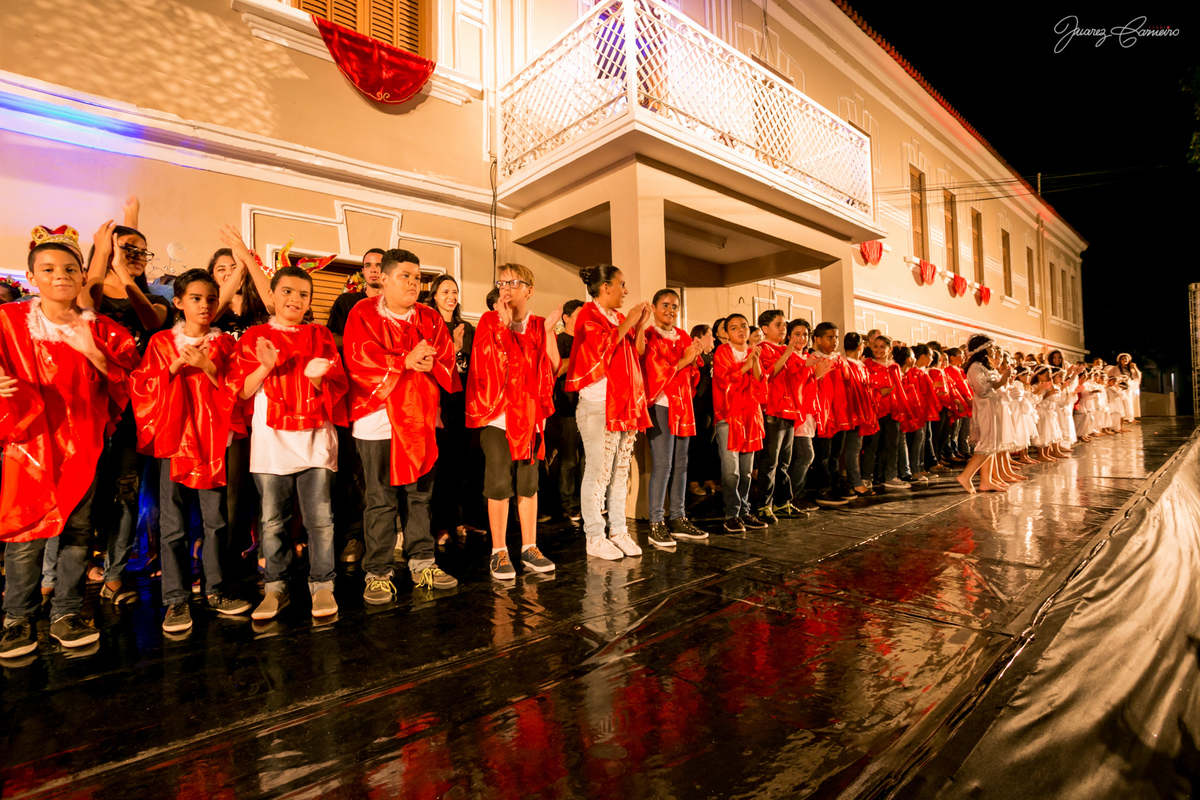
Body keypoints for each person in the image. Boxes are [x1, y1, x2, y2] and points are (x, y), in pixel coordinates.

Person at [1, 225, 139, 657]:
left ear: (83, 277)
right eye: (48, 269)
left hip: (82, 445)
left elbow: (127, 383)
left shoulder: (103, 330)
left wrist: (91, 350)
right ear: (31, 278)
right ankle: (17, 618)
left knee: (79, 530)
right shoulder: (8, 322)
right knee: (26, 531)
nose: (60, 275)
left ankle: (65, 611)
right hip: (29, 444)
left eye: (69, 269)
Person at [131, 269, 251, 632]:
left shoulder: (226, 344)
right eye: (196, 299)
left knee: (216, 521)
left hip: (214, 443)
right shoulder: (161, 343)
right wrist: (175, 366)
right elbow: (143, 387)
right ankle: (176, 600)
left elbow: (237, 392)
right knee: (173, 524)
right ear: (179, 302)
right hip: (176, 441)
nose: (205, 305)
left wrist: (208, 366)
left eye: (212, 299)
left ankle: (216, 590)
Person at [230, 265, 349, 619]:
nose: (295, 300)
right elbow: (241, 390)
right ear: (272, 295)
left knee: (321, 520)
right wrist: (266, 367)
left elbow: (337, 386)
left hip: (315, 440)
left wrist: (316, 380)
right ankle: (275, 588)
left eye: (303, 294)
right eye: (287, 292)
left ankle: (323, 585)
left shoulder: (322, 336)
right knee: (272, 521)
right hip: (272, 443)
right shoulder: (254, 337)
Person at [343, 249, 461, 602]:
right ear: (383, 278)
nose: (413, 283)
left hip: (420, 415)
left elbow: (445, 356)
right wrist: (404, 361)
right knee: (379, 498)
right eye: (405, 276)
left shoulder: (428, 317)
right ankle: (378, 570)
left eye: (417, 276)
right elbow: (358, 357)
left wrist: (431, 360)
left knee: (419, 495)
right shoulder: (363, 312)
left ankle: (422, 561)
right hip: (377, 418)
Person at [82, 222, 174, 603]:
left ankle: (115, 572)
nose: (136, 256)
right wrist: (103, 257)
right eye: (128, 248)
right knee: (83, 490)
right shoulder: (91, 293)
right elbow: (86, 308)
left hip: (136, 408)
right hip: (91, 406)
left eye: (141, 251)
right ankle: (67, 569)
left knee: (126, 490)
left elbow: (153, 321)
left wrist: (124, 271)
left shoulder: (158, 298)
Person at [466, 263, 559, 578]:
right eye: (501, 283)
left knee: (528, 485)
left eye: (513, 282)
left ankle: (529, 547)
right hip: (499, 417)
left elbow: (550, 368)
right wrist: (503, 330)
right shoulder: (488, 322)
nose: (505, 288)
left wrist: (547, 336)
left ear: (529, 290)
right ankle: (499, 551)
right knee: (499, 483)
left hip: (531, 418)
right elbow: (490, 370)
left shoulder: (539, 325)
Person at [566, 265, 651, 561]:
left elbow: (636, 353)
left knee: (620, 471)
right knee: (598, 471)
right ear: (605, 287)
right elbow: (600, 350)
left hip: (623, 404)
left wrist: (638, 326)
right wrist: (628, 322)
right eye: (622, 284)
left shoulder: (616, 319)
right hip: (598, 405)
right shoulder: (588, 315)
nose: (626, 291)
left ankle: (618, 530)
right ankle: (594, 535)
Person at [642, 289, 707, 547]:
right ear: (655, 308)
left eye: (675, 306)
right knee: (663, 466)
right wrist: (684, 360)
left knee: (682, 465)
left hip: (683, 404)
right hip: (661, 405)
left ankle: (678, 517)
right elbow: (654, 373)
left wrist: (694, 357)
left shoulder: (681, 335)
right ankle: (656, 522)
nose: (671, 310)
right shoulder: (649, 336)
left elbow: (693, 370)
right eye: (665, 305)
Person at [426, 273, 476, 546]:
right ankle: (438, 525)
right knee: (439, 467)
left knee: (460, 465)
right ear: (434, 295)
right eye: (445, 291)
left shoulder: (466, 327)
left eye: (454, 292)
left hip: (462, 406)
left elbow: (474, 367)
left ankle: (457, 519)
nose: (451, 297)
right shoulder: (427, 325)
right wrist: (451, 347)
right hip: (437, 405)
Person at [712, 313, 768, 532]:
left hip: (750, 416)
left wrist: (753, 360)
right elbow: (725, 379)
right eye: (734, 328)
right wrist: (747, 363)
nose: (741, 331)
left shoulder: (752, 351)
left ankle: (745, 510)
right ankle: (731, 514)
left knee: (746, 470)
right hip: (729, 416)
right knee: (731, 471)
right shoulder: (722, 352)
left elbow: (760, 381)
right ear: (727, 332)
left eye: (744, 326)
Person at [755, 309, 803, 521]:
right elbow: (768, 375)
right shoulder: (762, 348)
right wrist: (787, 353)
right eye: (778, 325)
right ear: (765, 329)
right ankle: (763, 505)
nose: (784, 328)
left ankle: (783, 502)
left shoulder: (785, 349)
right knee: (770, 461)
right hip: (773, 409)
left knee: (785, 460)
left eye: (785, 324)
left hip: (789, 408)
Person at [956, 335, 1012, 493]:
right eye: (991, 346)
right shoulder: (975, 367)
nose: (994, 350)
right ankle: (966, 476)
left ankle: (986, 480)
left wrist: (1003, 381)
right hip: (985, 409)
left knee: (992, 445)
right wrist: (1002, 381)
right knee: (986, 444)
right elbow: (983, 390)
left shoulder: (985, 366)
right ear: (982, 349)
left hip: (992, 407)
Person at [806, 322, 852, 506]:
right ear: (817, 339)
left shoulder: (839, 360)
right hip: (823, 414)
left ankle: (835, 485)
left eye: (836, 337)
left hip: (839, 413)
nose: (834, 342)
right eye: (829, 337)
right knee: (822, 455)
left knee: (836, 454)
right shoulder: (813, 360)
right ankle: (822, 489)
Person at [547, 299, 585, 521]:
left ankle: (585, 500)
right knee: (568, 459)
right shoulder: (559, 340)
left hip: (588, 407)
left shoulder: (588, 341)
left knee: (587, 460)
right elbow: (557, 368)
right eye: (579, 315)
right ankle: (567, 503)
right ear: (566, 317)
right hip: (565, 409)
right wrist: (581, 356)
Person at [841, 332, 878, 496]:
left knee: (851, 449)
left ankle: (851, 480)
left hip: (852, 411)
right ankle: (855, 482)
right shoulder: (849, 365)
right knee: (852, 449)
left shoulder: (855, 365)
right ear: (860, 346)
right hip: (852, 412)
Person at [326, 249, 385, 348]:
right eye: (368, 265)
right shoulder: (346, 301)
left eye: (379, 265)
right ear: (363, 271)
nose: (373, 270)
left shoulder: (397, 307)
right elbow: (332, 339)